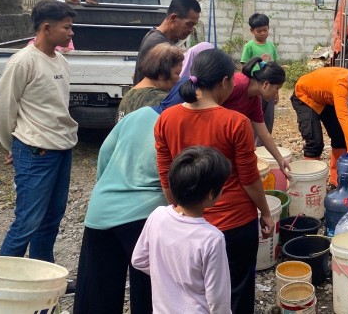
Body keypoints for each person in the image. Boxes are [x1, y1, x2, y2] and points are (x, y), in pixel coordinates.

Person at [155, 49, 273, 314]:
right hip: (234, 223)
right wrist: (265, 213)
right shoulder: (235, 122)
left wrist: (180, 214)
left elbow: (166, 177)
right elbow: (249, 178)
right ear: (224, 82)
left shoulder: (166, 119)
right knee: (236, 293)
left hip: (188, 224)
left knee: (194, 293)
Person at [0, 0, 78, 263]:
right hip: (36, 151)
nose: (71, 33)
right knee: (27, 222)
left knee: (51, 219)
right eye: (66, 27)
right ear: (46, 28)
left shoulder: (60, 61)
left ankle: (43, 276)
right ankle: (2, 286)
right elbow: (3, 107)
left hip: (62, 148)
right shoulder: (23, 61)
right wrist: (13, 146)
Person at [74, 104, 171, 314]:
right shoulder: (180, 121)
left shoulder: (138, 115)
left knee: (96, 297)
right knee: (149, 295)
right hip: (148, 214)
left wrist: (106, 188)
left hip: (102, 211)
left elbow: (105, 154)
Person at [132, 147, 232, 314]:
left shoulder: (157, 216)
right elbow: (218, 300)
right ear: (210, 194)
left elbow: (138, 260)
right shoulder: (212, 238)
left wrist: (166, 276)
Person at [290, 65, 348, 185]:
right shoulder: (342, 85)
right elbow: (344, 117)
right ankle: (310, 184)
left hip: (327, 99)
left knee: (340, 137)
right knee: (314, 142)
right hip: (305, 95)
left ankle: (337, 180)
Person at [222, 56, 291, 176]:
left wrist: (280, 160)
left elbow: (264, 134)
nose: (276, 94)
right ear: (266, 84)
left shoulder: (254, 101)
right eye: (277, 89)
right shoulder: (237, 84)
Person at [133, 0, 201, 84]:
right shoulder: (158, 43)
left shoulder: (158, 37)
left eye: (194, 25)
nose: (191, 30)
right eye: (189, 24)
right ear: (173, 18)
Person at [117, 43, 183, 122]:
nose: (179, 79)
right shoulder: (162, 100)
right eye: (177, 74)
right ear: (162, 73)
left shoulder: (128, 96)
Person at [240, 13, 279, 144]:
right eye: (259, 31)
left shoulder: (271, 46)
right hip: (256, 89)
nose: (263, 33)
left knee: (268, 118)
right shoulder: (249, 47)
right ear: (252, 31)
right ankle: (251, 145)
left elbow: (275, 67)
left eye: (265, 30)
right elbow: (244, 68)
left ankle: (263, 147)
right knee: (254, 118)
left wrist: (276, 92)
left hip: (270, 89)